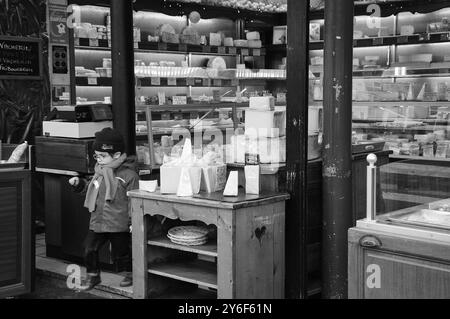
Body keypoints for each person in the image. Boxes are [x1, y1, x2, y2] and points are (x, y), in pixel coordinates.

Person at [69, 127, 139, 290]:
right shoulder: (99, 173)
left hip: (119, 224)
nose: (98, 159)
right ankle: (93, 276)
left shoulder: (129, 176)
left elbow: (134, 202)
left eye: (102, 156)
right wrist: (79, 184)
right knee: (88, 248)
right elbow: (90, 189)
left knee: (121, 254)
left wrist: (132, 222)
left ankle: (131, 273)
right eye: (96, 156)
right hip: (98, 221)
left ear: (116, 155)